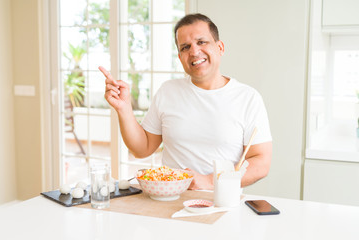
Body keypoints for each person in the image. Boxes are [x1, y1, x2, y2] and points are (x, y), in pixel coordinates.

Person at [99, 13, 272, 190]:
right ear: (180, 57)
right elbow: (142, 149)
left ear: (220, 47)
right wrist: (124, 108)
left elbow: (261, 161)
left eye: (202, 42)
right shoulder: (168, 91)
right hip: (169, 200)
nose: (194, 52)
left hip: (222, 203)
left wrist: (210, 181)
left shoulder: (248, 98)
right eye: (185, 47)